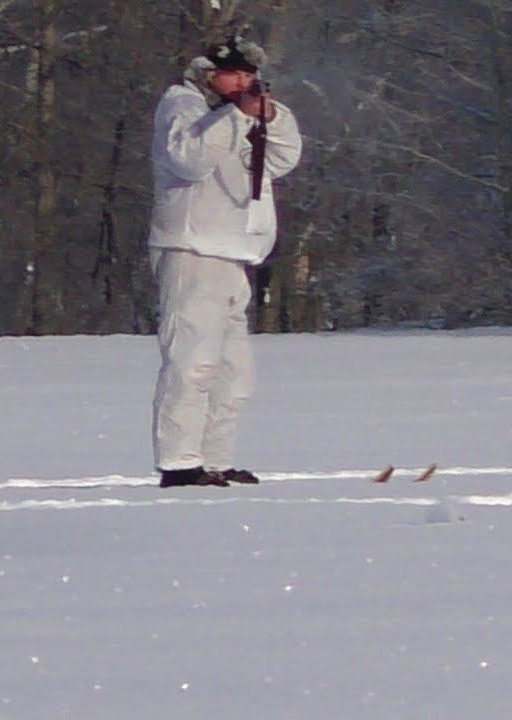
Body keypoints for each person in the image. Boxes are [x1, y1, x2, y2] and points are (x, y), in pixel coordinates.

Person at [147, 37, 302, 488]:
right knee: (191, 360)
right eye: (234, 74)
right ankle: (179, 463)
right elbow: (189, 160)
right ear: (208, 72)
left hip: (233, 253)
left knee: (233, 372)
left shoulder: (234, 113)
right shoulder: (183, 105)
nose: (244, 82)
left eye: (249, 75)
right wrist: (237, 115)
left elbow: (282, 159)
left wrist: (271, 117)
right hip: (192, 249)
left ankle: (214, 459)